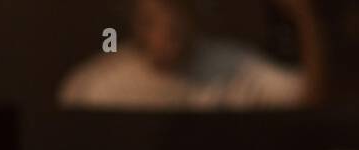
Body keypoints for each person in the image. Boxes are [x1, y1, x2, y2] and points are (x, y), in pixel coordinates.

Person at [58, 0, 325, 110]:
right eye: (150, 21)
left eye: (174, 20)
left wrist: (305, 19)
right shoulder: (96, 86)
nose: (163, 35)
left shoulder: (234, 65)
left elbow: (305, 95)